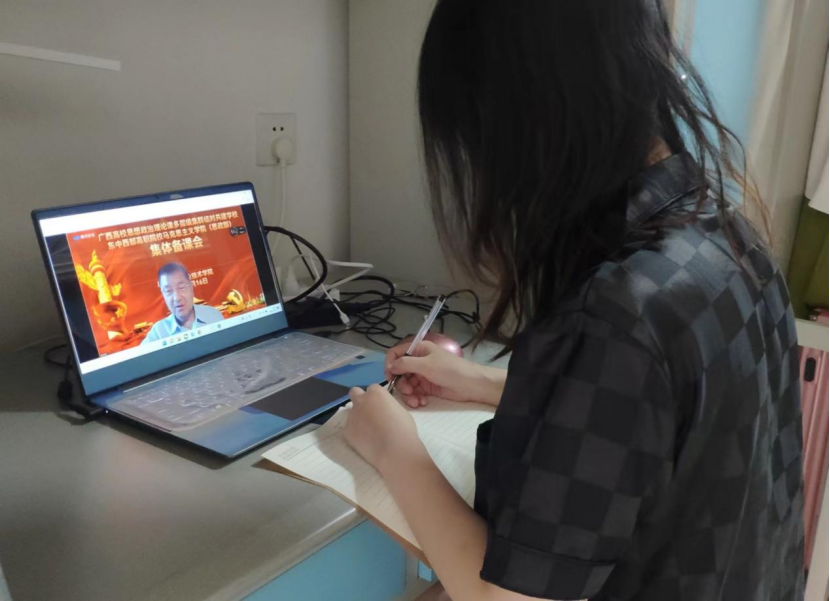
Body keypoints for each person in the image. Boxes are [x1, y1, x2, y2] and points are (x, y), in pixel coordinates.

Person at [344, 2, 805, 601]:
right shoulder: (727, 237)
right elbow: (669, 421)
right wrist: (490, 384)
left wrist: (394, 448)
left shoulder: (615, 313)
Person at [142, 263, 224, 344]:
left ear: (191, 287)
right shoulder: (158, 333)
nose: (177, 298)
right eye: (168, 291)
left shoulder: (213, 316)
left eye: (181, 288)